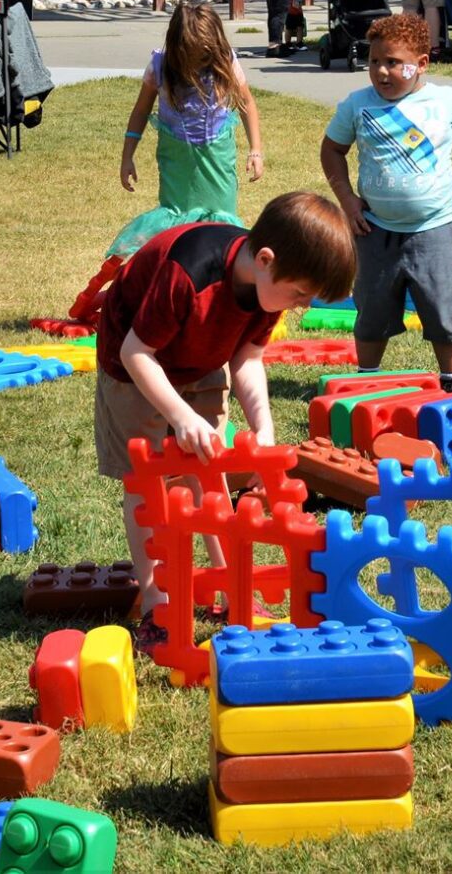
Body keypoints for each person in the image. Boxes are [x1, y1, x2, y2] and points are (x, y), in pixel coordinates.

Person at [91, 192, 356, 624]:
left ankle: (230, 586)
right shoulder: (188, 273)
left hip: (203, 357)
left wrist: (263, 430)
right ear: (266, 260)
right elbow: (136, 353)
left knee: (207, 469)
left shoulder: (269, 289)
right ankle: (157, 602)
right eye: (299, 294)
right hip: (136, 365)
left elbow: (248, 359)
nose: (300, 306)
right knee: (146, 486)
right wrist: (180, 416)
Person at [320, 11, 452, 389]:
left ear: (421, 64)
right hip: (375, 230)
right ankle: (367, 378)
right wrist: (348, 200)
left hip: (435, 229)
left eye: (393, 63)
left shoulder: (446, 102)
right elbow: (332, 150)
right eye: (374, 62)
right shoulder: (357, 105)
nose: (382, 72)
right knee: (371, 309)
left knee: (445, 309)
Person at [114, 0, 264, 259]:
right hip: (177, 159)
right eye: (194, 55)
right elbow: (140, 111)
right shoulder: (159, 67)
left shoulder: (225, 63)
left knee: (220, 223)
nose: (199, 62)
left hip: (216, 155)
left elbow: (246, 103)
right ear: (178, 47)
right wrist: (128, 156)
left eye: (205, 55)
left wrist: (256, 150)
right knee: (179, 222)